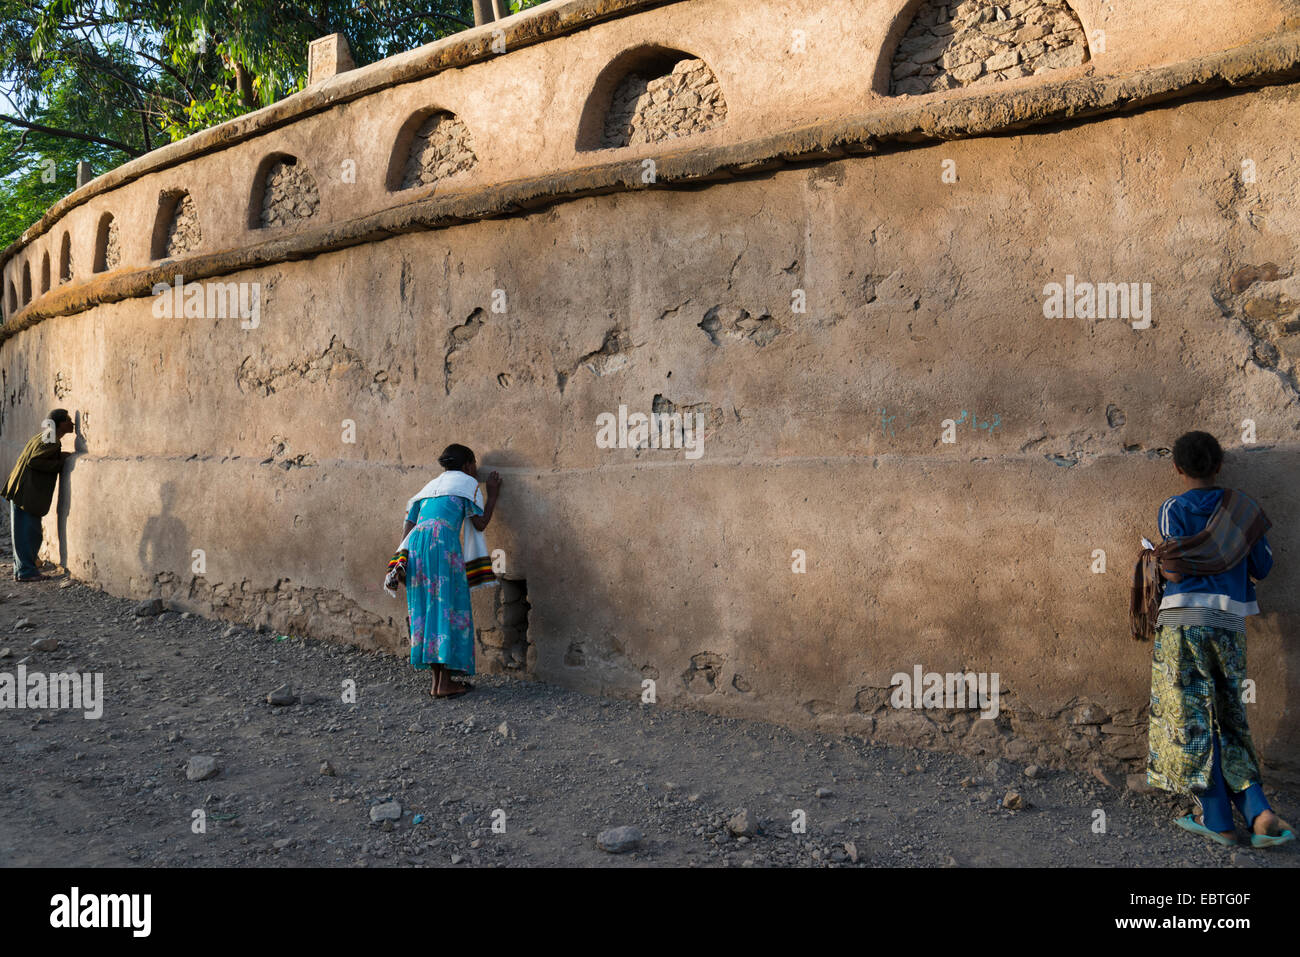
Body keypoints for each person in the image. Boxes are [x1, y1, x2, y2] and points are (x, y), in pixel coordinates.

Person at [1147, 430, 1293, 847]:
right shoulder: (1244, 511)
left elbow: (1173, 570)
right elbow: (1262, 568)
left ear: (1177, 468)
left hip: (1183, 623)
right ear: (1219, 465)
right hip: (1229, 624)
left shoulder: (1173, 508)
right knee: (1231, 716)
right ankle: (1258, 811)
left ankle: (1215, 817)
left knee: (1190, 716)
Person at [395, 444, 501, 698]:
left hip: (417, 544)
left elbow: (410, 521)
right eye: (474, 465)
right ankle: (444, 683)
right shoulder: (467, 484)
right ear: (467, 466)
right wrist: (493, 495)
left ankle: (437, 683)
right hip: (443, 543)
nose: (475, 470)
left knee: (426, 609)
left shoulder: (429, 488)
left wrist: (401, 557)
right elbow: (480, 523)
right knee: (447, 607)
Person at [3, 408, 73, 582]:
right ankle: (26, 572)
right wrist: (59, 463)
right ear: (60, 423)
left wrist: (59, 456)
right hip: (28, 492)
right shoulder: (52, 439)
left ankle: (23, 570)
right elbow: (35, 460)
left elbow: (39, 455)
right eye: (68, 420)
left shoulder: (45, 435)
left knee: (22, 532)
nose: (72, 423)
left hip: (21, 489)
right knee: (30, 533)